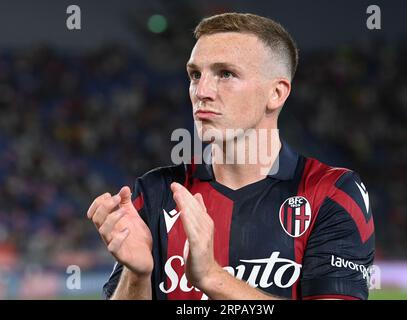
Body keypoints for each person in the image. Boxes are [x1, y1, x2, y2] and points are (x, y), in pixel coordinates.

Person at [87, 12, 375, 300]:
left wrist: (212, 277)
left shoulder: (331, 192)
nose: (202, 91)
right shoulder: (154, 191)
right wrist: (137, 274)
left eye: (225, 73)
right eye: (195, 75)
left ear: (276, 93)